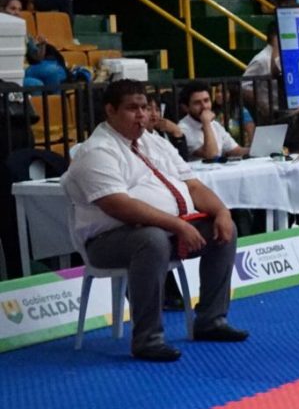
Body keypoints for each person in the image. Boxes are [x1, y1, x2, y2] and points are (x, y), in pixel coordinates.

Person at [61, 80, 249, 362]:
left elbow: (194, 186)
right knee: (151, 240)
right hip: (109, 241)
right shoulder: (97, 151)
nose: (141, 115)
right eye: (132, 108)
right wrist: (178, 225)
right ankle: (148, 339)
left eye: (145, 108)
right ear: (110, 111)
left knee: (224, 229)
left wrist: (222, 212)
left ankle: (212, 320)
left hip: (167, 231)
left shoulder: (154, 142)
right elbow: (119, 206)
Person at [1, 0, 67, 89]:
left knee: (56, 71)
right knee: (36, 83)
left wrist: (42, 44)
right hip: (7, 73)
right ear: (2, 10)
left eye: (19, 10)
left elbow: (37, 58)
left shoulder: (23, 31)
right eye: (13, 9)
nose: (17, 13)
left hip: (25, 69)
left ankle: (55, 101)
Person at [177, 81, 248, 160]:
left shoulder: (214, 124)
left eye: (206, 100)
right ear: (185, 107)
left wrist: (255, 151)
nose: (204, 106)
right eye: (197, 103)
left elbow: (235, 150)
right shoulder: (183, 129)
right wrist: (206, 123)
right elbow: (211, 155)